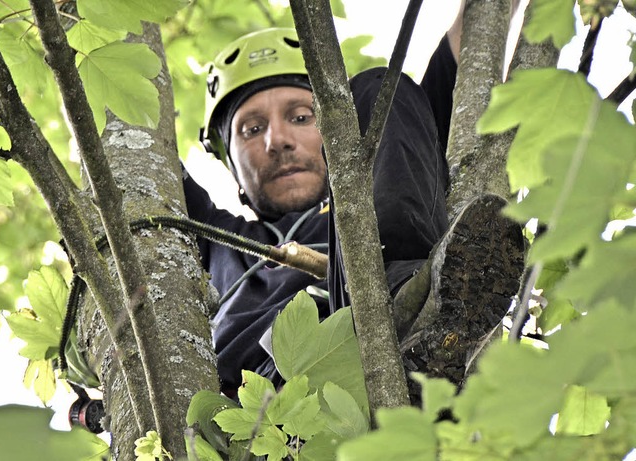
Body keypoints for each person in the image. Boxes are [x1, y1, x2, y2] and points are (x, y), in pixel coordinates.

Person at [182, 11, 524, 398]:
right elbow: (113, 166)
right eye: (252, 129)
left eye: (300, 116)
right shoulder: (213, 239)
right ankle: (416, 311)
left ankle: (413, 304)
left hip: (372, 324)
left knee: (383, 91)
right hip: (264, 406)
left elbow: (469, 41)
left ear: (334, 128)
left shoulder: (380, 183)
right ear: (231, 161)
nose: (276, 139)